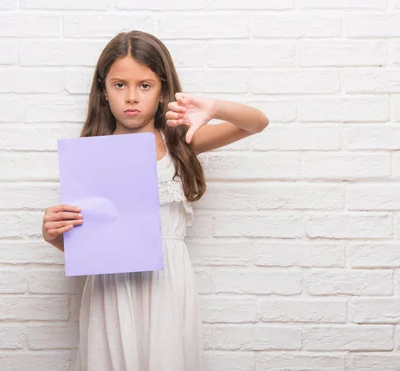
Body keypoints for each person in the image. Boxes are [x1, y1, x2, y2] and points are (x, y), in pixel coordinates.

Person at [41, 30, 269, 371]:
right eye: (120, 85)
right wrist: (55, 235)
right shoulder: (90, 155)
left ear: (163, 90)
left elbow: (257, 123)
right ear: (104, 90)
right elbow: (90, 245)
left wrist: (213, 107)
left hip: (168, 284)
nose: (132, 97)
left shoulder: (180, 143)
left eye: (145, 85)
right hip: (111, 289)